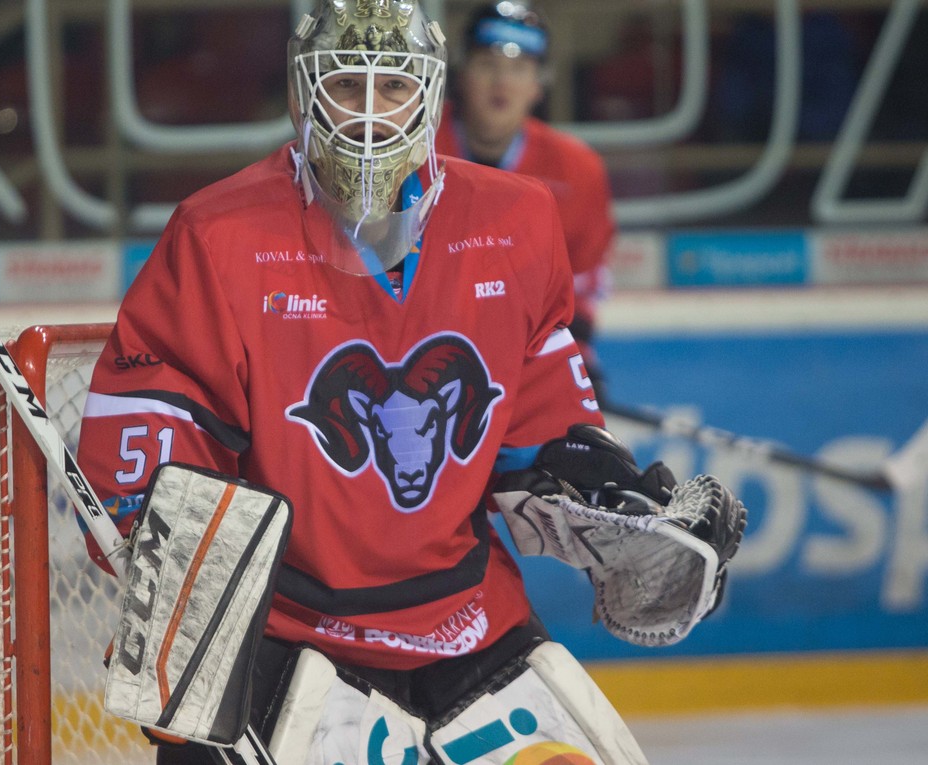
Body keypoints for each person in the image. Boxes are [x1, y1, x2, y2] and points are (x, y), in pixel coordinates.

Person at [77, 2, 743, 762]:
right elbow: (139, 477)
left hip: (466, 620)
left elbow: (539, 442)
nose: (368, 115)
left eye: (392, 86)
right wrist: (185, 626)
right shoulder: (218, 236)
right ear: (302, 93)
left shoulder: (516, 221)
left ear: (430, 93)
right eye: (344, 87)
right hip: (291, 631)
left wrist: (614, 504)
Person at [434, 1, 615, 396]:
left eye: (518, 69)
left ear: (538, 84)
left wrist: (575, 353)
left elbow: (582, 280)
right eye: (488, 64)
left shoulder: (577, 169)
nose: (503, 83)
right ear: (462, 73)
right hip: (425, 352)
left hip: (532, 356)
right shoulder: (414, 148)